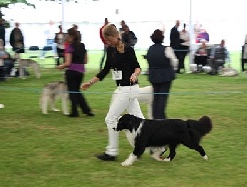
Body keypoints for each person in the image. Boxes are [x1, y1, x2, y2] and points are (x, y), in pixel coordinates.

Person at [81, 23, 144, 161]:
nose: (107, 42)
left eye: (109, 40)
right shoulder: (110, 50)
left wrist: (135, 74)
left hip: (129, 88)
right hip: (123, 89)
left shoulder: (128, 50)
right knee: (141, 122)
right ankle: (158, 147)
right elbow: (104, 71)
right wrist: (89, 83)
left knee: (110, 119)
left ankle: (112, 152)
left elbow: (138, 67)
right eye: (106, 41)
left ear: (116, 35)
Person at [57, 27, 93, 118]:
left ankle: (74, 112)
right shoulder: (83, 46)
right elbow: (85, 61)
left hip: (71, 72)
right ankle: (87, 110)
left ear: (71, 36)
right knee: (77, 91)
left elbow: (68, 63)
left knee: (72, 92)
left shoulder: (69, 47)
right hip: (81, 71)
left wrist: (60, 66)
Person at [146, 29, 178, 119]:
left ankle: (156, 117)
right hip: (165, 76)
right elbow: (174, 62)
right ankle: (160, 120)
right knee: (162, 99)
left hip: (153, 76)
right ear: (162, 38)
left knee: (156, 99)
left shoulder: (150, 49)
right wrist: (172, 70)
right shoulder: (167, 49)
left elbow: (149, 61)